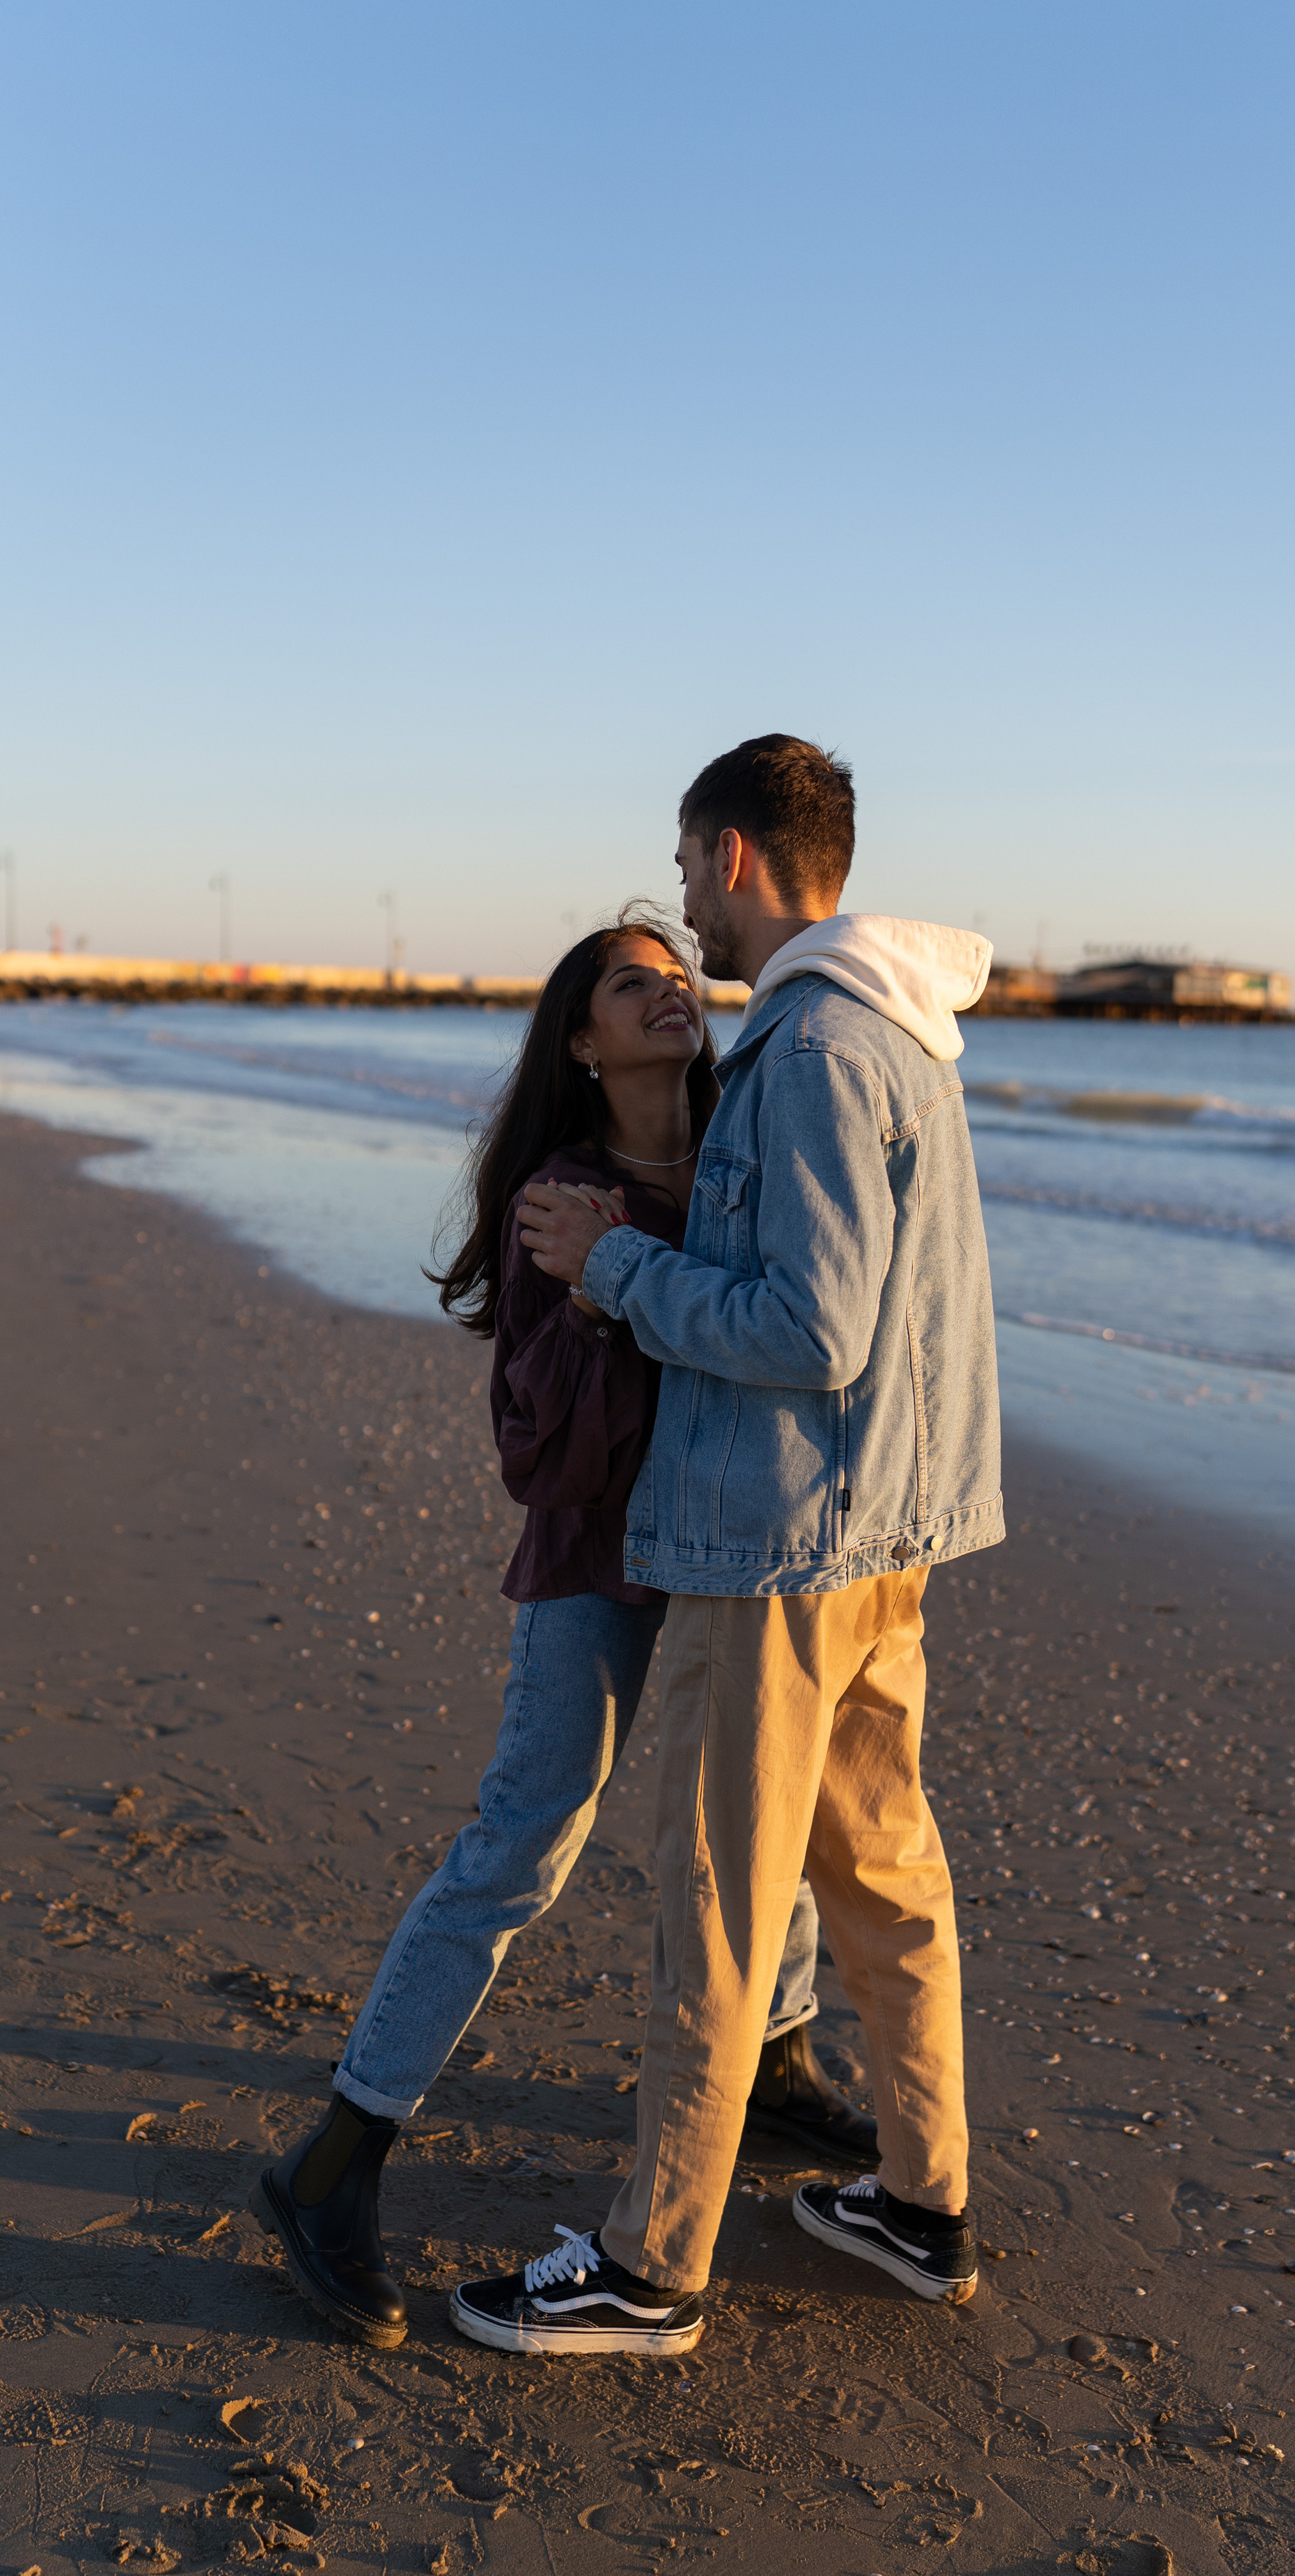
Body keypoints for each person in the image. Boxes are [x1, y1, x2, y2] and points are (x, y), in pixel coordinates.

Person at [249, 912, 874, 2352]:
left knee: (765, 1825)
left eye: (677, 974)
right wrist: (603, 1293)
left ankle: (770, 2062)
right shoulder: (558, 1201)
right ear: (581, 1040)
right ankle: (329, 2162)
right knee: (521, 1845)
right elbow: (544, 1457)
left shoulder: (738, 1159)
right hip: (597, 1564)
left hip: (729, 1554)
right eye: (628, 981)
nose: (669, 991)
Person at [448, 736, 1003, 2357]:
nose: (683, 902)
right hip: (885, 1528)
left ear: (736, 856)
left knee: (717, 1893)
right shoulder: (903, 1028)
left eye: (687, 868)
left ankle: (651, 2264)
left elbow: (809, 1326)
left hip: (779, 1544)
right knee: (886, 1876)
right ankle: (917, 2202)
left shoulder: (818, 1045)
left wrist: (616, 1264)